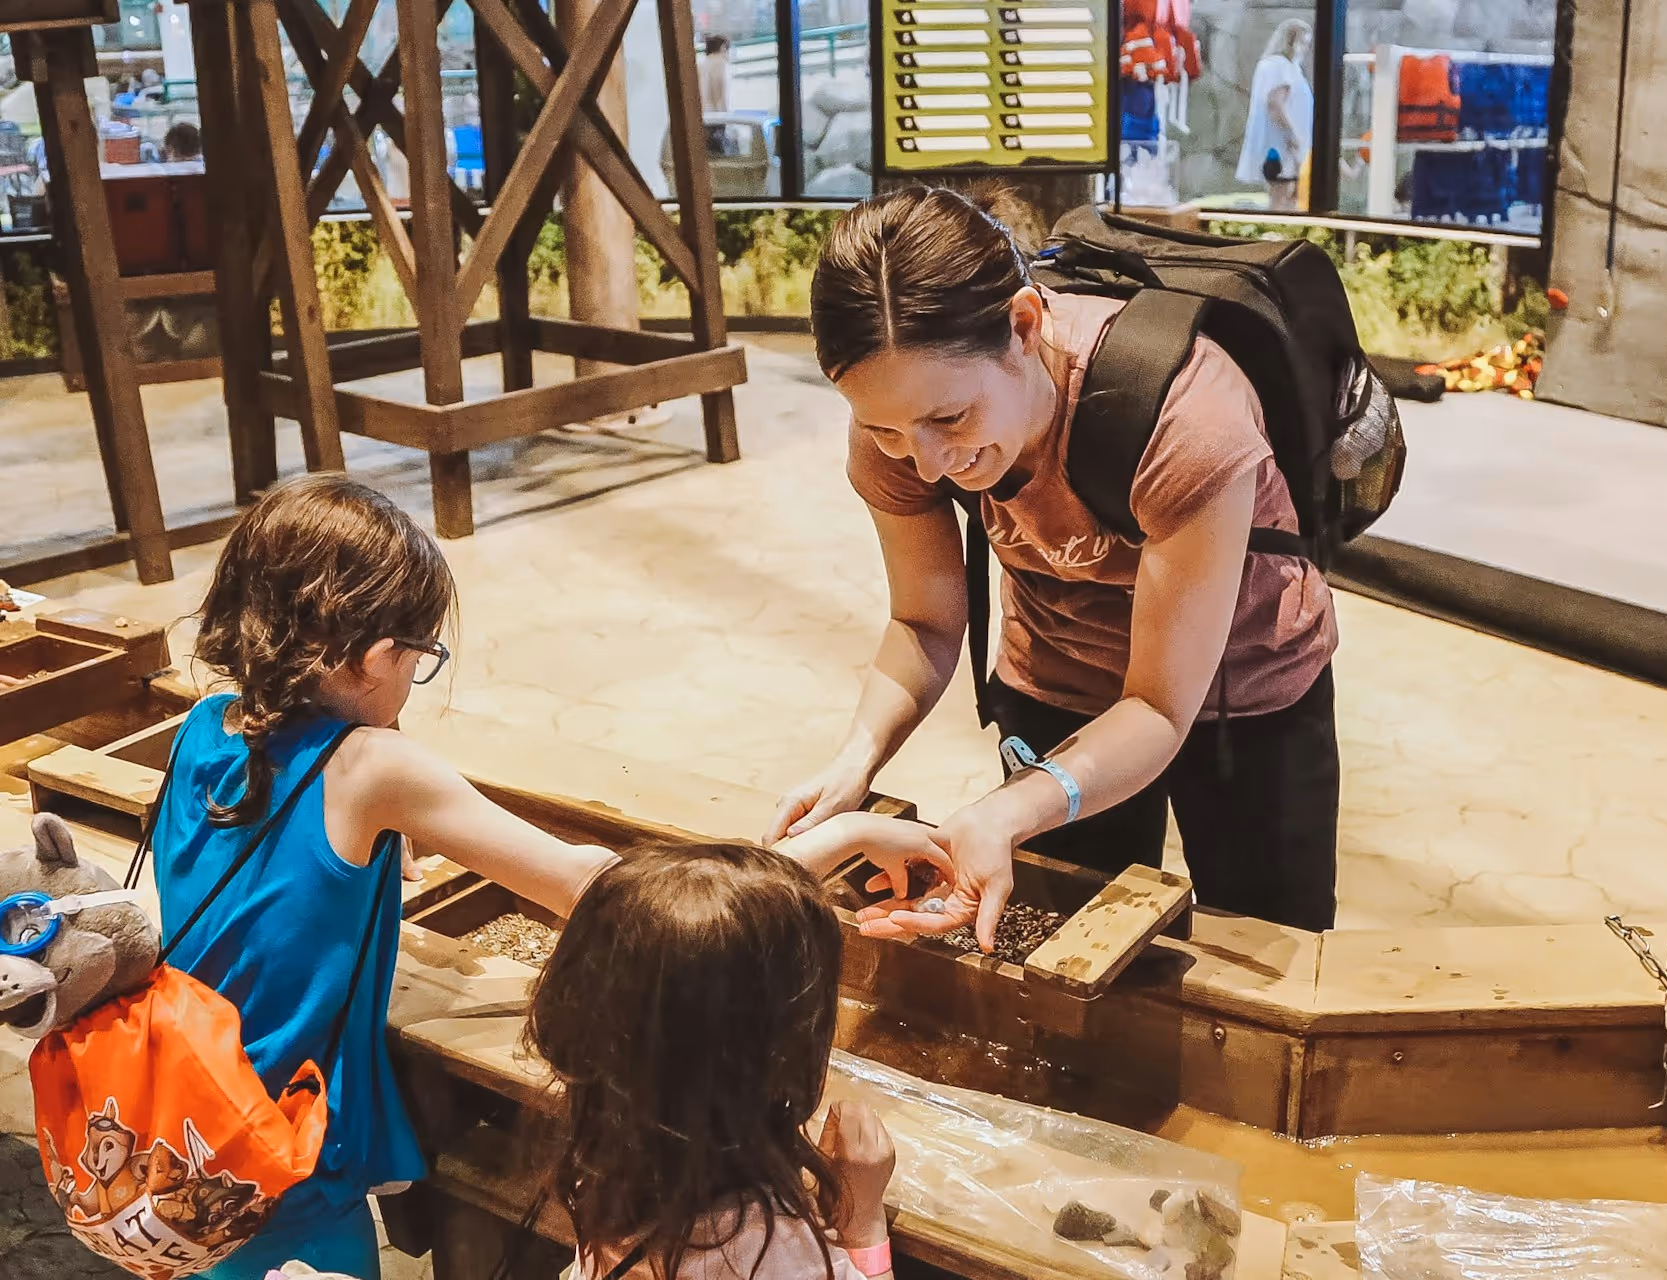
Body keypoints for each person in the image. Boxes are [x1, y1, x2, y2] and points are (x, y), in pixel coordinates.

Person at [154, 475, 931, 1278]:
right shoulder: (371, 767)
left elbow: (267, 868)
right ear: (378, 655)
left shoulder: (202, 728)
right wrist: (846, 834)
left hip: (186, 1108)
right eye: (421, 656)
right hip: (287, 1144)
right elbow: (611, 892)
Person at [767, 187, 1340, 950]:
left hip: (1242, 687)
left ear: (1023, 325)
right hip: (1058, 673)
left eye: (951, 419)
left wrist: (1007, 810)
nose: (928, 461)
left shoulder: (1185, 415)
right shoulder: (900, 425)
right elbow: (924, 620)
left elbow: (1160, 709)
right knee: (1061, 928)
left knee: (1264, 942)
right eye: (885, 428)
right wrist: (855, 761)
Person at [531, 842, 898, 1280]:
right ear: (784, 1055)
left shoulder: (606, 1160)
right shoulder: (774, 1257)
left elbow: (695, 932)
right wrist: (863, 1220)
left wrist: (851, 832)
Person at [1235, 20, 1314, 211]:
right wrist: (1293, 134)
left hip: (1282, 145)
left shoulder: (1277, 65)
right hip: (1282, 146)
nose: (1304, 50)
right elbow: (1275, 104)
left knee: (1283, 194)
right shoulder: (1281, 66)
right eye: (1302, 43)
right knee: (1282, 194)